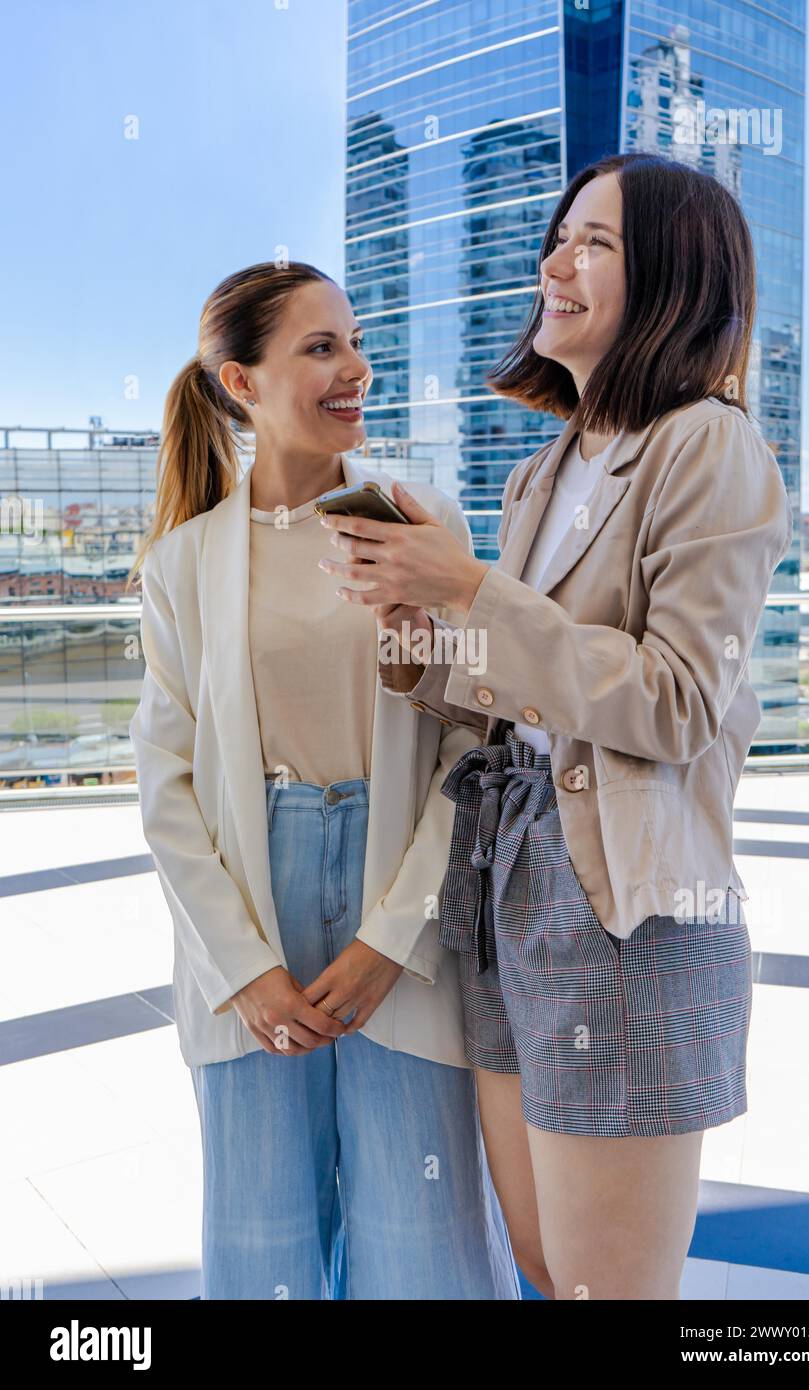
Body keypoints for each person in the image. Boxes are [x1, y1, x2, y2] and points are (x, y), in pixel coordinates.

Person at [316, 153, 794, 1300]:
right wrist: (418, 622)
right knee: (538, 1261)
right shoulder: (540, 473)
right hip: (505, 885)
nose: (554, 261)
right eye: (559, 233)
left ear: (674, 279)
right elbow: (504, 698)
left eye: (596, 241)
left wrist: (473, 591)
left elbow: (676, 698)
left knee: (606, 1284)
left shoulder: (705, 446)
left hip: (620, 903)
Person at [127, 262, 520, 1300]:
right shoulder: (183, 564)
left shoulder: (415, 516)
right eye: (319, 348)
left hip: (400, 890)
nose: (356, 368)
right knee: (262, 1248)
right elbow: (166, 787)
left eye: (353, 341)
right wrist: (241, 968)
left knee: (424, 1235)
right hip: (251, 896)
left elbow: (467, 751)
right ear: (239, 383)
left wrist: (394, 934)